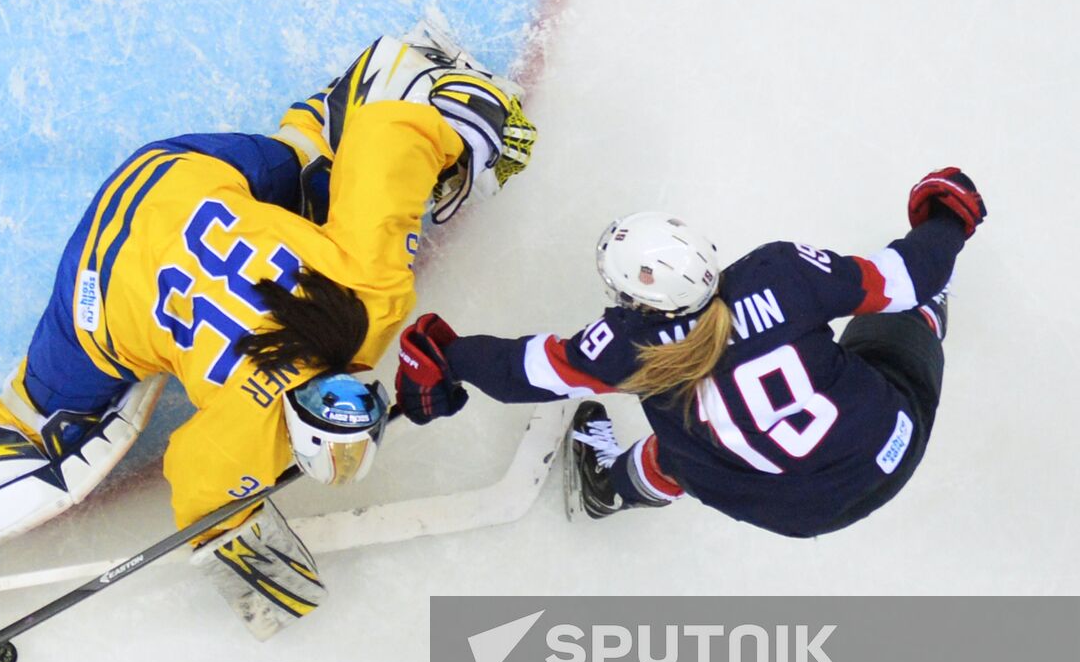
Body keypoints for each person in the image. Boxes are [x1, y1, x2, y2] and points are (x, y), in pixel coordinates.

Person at [0, 23, 537, 638]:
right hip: (102, 289)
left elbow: (389, 145)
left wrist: (462, 131)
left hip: (173, 174)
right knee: (52, 427)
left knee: (310, 175)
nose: (355, 398)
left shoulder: (370, 297)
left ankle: (404, 72)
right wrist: (240, 537)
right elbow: (198, 482)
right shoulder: (246, 426)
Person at [394, 168, 985, 538]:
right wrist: (949, 216)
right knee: (907, 302)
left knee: (693, 446)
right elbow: (905, 273)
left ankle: (613, 489)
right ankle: (927, 321)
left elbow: (523, 370)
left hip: (795, 512)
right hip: (890, 443)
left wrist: (446, 354)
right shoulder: (778, 273)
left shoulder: (622, 349)